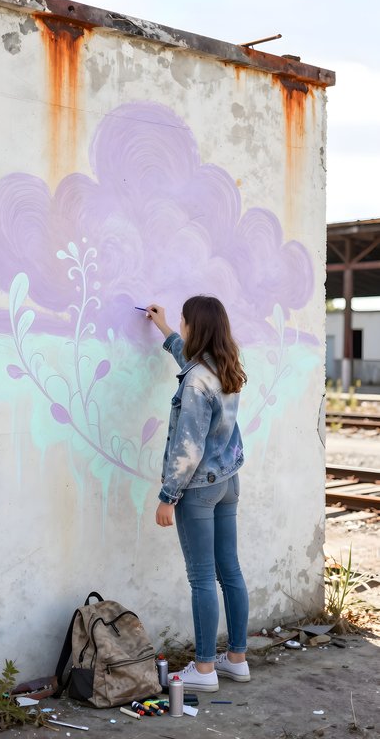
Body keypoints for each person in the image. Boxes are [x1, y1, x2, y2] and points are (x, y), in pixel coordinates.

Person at [146, 296, 249, 692]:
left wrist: (167, 496)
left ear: (196, 327)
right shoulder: (225, 366)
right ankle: (237, 659)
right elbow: (188, 358)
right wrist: (164, 328)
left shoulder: (195, 381)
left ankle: (204, 669)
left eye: (184, 322)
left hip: (199, 490)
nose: (183, 326)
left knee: (202, 577)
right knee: (230, 571)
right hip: (227, 482)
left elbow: (187, 448)